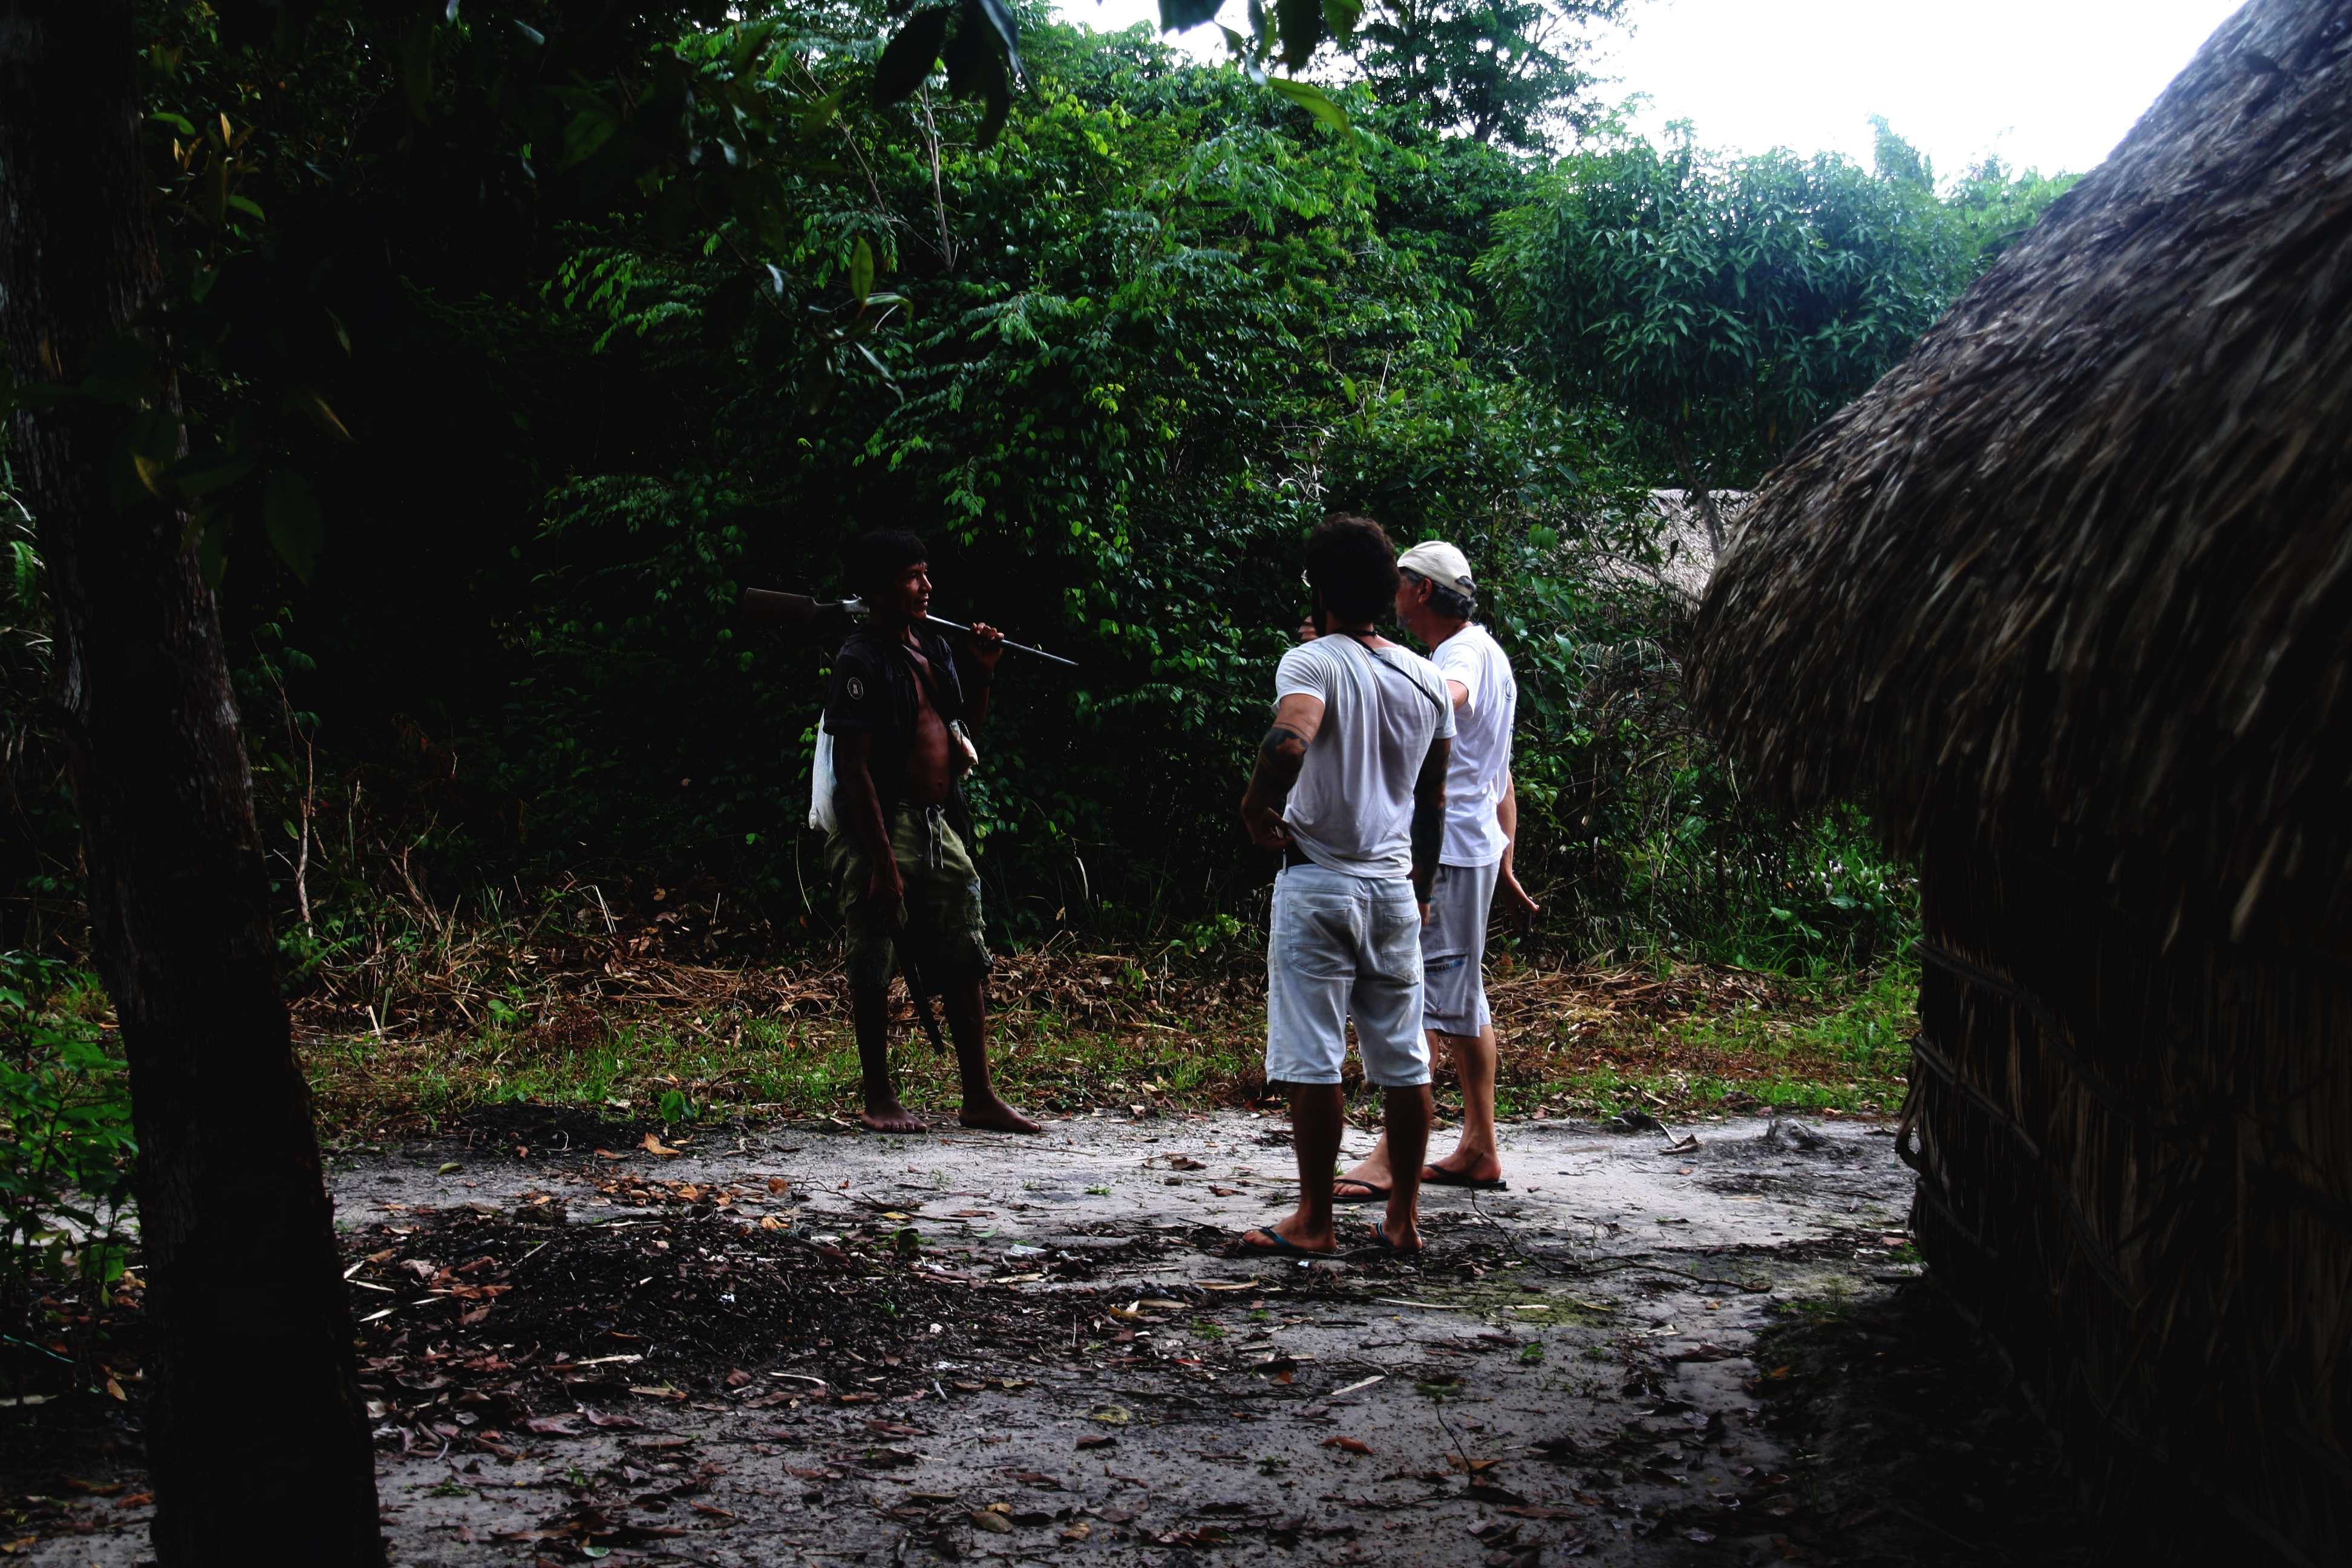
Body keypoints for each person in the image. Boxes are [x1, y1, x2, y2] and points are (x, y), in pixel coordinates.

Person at [1236, 514, 1454, 1256]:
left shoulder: (1312, 663)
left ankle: (1315, 1219)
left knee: (1314, 1057)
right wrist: (1420, 887)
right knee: (1403, 1059)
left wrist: (1255, 804)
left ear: (1320, 589)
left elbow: (1292, 737)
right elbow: (1434, 801)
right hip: (1395, 890)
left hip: (1320, 882)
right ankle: (1403, 1220)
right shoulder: (1427, 679)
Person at [1333, 540, 1538, 1201]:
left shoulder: (1462, 657)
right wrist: (1505, 854)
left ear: (1422, 591)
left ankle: (1394, 1154)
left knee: (1418, 994)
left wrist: (1357, 661)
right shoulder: (1481, 651)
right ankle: (1479, 1145)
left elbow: (1439, 707)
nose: (1392, 599)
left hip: (1448, 851)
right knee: (1461, 995)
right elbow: (1498, 771)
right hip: (1469, 846)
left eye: (1399, 585)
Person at [822, 529, 1039, 1136]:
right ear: (879, 587)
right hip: (881, 823)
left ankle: (979, 1096)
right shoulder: (860, 659)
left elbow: (963, 731)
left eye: (926, 574)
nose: (927, 587)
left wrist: (985, 673)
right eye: (913, 577)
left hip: (938, 823)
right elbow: (853, 769)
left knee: (964, 955)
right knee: (874, 954)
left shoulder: (933, 648)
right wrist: (882, 862)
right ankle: (879, 1097)